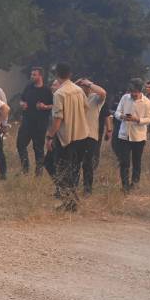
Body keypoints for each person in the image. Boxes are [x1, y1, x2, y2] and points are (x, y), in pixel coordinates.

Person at [45, 64, 91, 210]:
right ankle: (71, 199)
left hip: (66, 138)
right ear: (70, 74)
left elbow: (58, 119)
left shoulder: (59, 94)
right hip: (82, 135)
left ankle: (70, 201)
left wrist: (49, 136)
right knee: (72, 169)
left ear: (56, 75)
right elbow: (86, 108)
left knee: (55, 166)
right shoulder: (79, 90)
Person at [114, 79, 150, 191]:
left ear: (140, 90)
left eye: (136, 92)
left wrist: (138, 119)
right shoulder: (124, 98)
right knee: (124, 161)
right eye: (132, 91)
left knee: (137, 161)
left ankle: (135, 184)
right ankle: (125, 186)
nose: (134, 94)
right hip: (124, 135)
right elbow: (117, 112)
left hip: (139, 137)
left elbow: (149, 119)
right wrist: (122, 116)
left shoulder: (147, 102)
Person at [16, 67, 53, 175]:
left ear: (40, 76)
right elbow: (21, 100)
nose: (32, 76)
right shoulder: (28, 87)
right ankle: (25, 168)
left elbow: (54, 105)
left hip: (40, 124)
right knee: (20, 144)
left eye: (34, 75)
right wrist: (22, 104)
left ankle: (39, 172)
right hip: (27, 122)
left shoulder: (47, 90)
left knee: (38, 148)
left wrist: (44, 106)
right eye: (31, 74)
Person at [74, 76, 108, 194]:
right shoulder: (76, 98)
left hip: (90, 135)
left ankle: (87, 189)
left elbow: (103, 92)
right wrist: (75, 83)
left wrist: (89, 83)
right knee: (75, 162)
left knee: (87, 163)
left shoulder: (96, 98)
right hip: (76, 134)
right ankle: (73, 187)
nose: (83, 88)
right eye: (81, 86)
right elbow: (64, 92)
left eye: (85, 86)